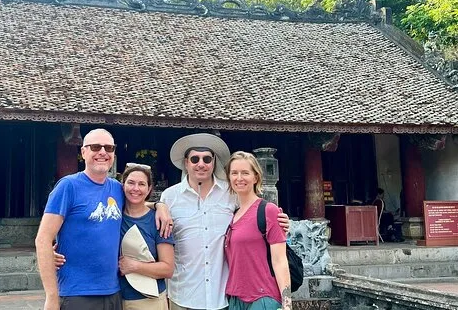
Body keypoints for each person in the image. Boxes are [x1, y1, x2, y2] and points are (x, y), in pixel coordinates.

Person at [35, 128, 172, 310]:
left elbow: (137, 201)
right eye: (95, 147)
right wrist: (51, 298)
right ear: (83, 152)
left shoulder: (116, 188)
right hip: (78, 293)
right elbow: (43, 239)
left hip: (113, 292)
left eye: (108, 148)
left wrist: (160, 206)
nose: (102, 152)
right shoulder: (68, 186)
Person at [160, 133, 289, 310]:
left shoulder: (231, 194)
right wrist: (157, 205)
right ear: (186, 162)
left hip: (222, 296)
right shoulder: (169, 197)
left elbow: (253, 212)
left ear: (214, 162)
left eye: (207, 159)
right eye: (195, 159)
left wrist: (279, 220)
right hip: (183, 294)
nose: (201, 164)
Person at [224, 151, 291, 310]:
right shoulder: (233, 214)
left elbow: (280, 261)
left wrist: (287, 304)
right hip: (236, 297)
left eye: (245, 173)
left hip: (263, 298)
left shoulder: (268, 211)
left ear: (255, 177)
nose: (239, 178)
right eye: (234, 173)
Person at [118, 163, 175, 310]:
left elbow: (168, 269)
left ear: (149, 189)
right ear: (123, 185)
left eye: (142, 184)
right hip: (114, 298)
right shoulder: (114, 216)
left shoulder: (159, 221)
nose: (136, 188)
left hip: (148, 301)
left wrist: (134, 266)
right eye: (131, 183)